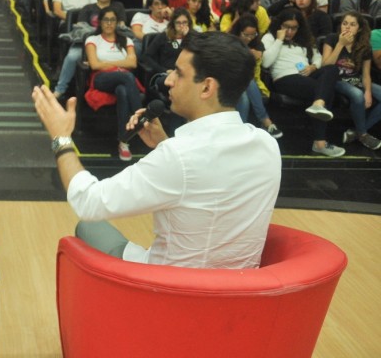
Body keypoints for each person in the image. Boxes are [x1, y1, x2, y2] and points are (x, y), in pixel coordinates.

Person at [31, 32, 280, 268]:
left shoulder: (178, 156)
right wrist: (164, 144)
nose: (168, 81)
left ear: (207, 88)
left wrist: (61, 138)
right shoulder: (267, 145)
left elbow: (88, 202)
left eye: (178, 73)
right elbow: (208, 178)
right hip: (240, 289)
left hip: (165, 287)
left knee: (88, 226)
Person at [261, 9, 344, 157]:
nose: (290, 31)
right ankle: (320, 142)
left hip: (307, 74)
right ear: (279, 25)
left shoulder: (304, 38)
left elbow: (318, 58)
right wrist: (279, 40)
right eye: (286, 27)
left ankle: (318, 104)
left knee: (331, 69)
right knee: (326, 92)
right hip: (285, 77)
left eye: (294, 28)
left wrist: (313, 67)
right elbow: (266, 62)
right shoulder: (269, 37)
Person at [82, 7, 142, 161]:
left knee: (122, 90)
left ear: (117, 22)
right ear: (100, 22)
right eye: (106, 20)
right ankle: (140, 118)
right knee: (127, 76)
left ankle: (123, 141)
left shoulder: (126, 40)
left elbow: (133, 63)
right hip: (101, 79)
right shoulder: (92, 40)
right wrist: (120, 64)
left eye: (112, 20)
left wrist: (106, 63)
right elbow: (95, 65)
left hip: (122, 79)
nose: (109, 23)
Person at [321, 12, 381, 150]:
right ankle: (363, 135)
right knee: (357, 94)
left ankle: (357, 132)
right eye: (345, 23)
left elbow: (366, 74)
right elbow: (325, 66)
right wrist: (340, 44)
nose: (347, 27)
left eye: (352, 24)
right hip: (335, 80)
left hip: (355, 80)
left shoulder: (364, 46)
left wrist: (368, 92)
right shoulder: (332, 38)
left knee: (367, 93)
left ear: (359, 29)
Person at [229, 15, 283, 139]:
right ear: (239, 31)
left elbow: (260, 65)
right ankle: (265, 121)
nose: (249, 38)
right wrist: (246, 53)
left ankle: (241, 131)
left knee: (245, 91)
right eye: (246, 35)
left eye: (253, 35)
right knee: (246, 83)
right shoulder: (229, 42)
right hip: (228, 81)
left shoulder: (257, 44)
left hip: (249, 82)